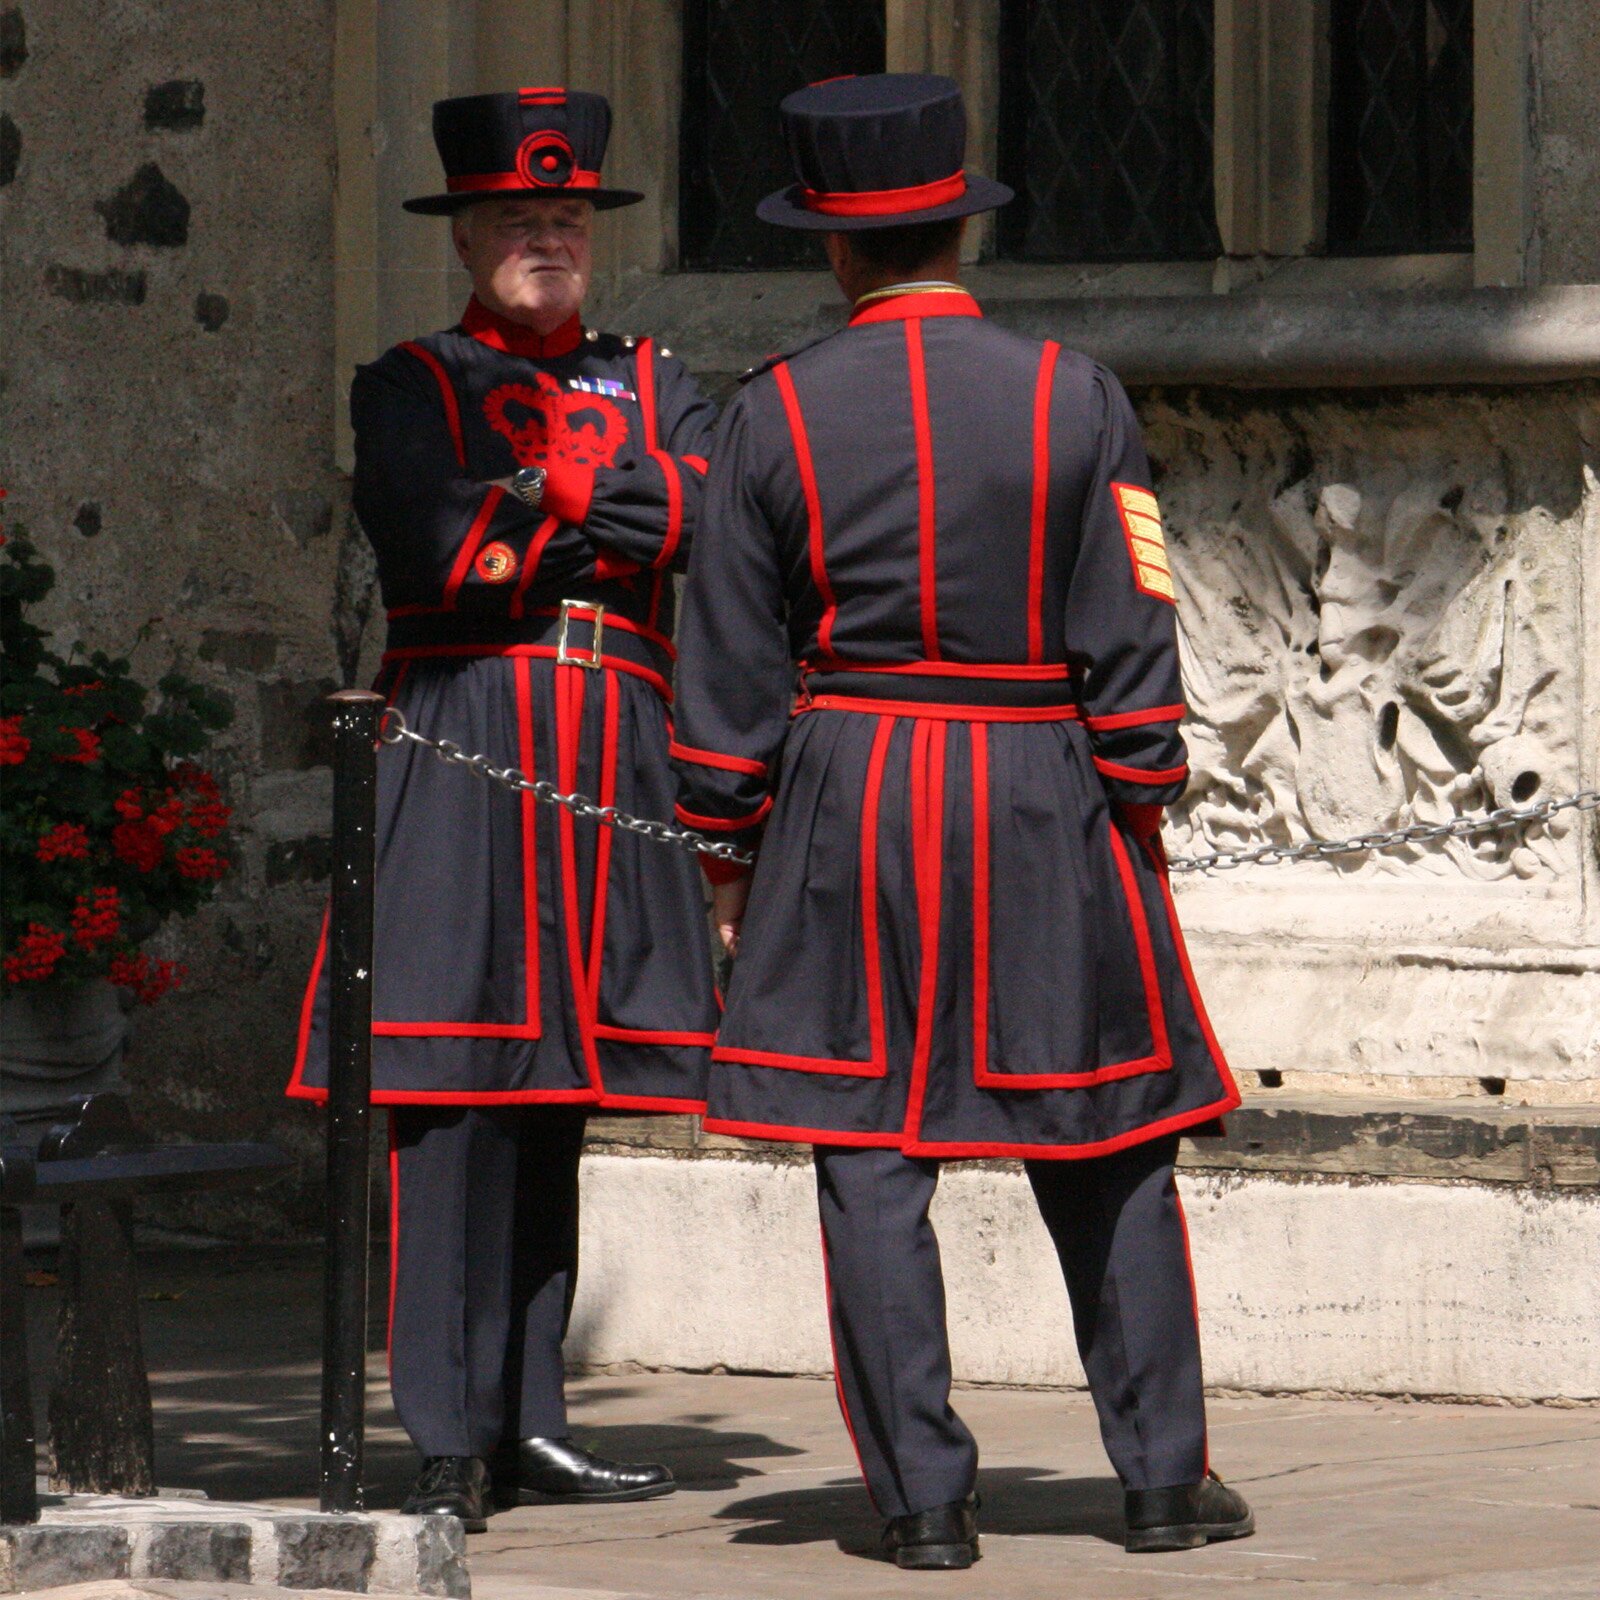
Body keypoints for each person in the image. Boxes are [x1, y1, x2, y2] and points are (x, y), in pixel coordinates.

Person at [671, 74, 1253, 1570]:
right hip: (1040, 789)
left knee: (869, 1145)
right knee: (1109, 1131)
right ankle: (1161, 1481)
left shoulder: (766, 412)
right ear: (959, 225)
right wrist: (1143, 795)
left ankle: (924, 1503)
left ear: (832, 245)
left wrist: (729, 848)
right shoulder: (1075, 394)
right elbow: (1133, 629)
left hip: (852, 792)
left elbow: (726, 669)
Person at [288, 87, 719, 1530]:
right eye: (520, 220)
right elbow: (435, 551)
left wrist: (535, 498)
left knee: (554, 1104)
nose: (550, 240)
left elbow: (699, 519)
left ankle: (531, 1419)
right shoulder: (409, 381)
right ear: (466, 237)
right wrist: (584, 502)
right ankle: (445, 1435)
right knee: (451, 1099)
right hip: (466, 741)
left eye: (569, 218)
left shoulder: (656, 375)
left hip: (610, 764)